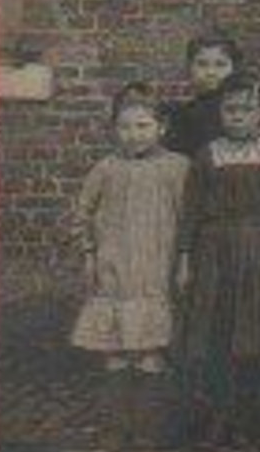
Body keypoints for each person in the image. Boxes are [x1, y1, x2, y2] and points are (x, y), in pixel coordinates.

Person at [175, 73, 260, 445]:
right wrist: (185, 259)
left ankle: (250, 420)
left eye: (247, 110)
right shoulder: (207, 154)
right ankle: (218, 415)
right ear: (220, 113)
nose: (237, 117)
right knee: (216, 335)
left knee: (253, 336)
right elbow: (191, 211)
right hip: (214, 253)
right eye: (230, 109)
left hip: (258, 252)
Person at [70, 86, 190, 388]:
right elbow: (83, 211)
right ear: (114, 130)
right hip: (115, 251)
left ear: (161, 128)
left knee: (153, 294)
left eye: (143, 126)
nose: (133, 134)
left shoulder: (177, 167)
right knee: (116, 294)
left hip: (157, 250)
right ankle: (118, 350)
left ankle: (150, 350)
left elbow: (187, 212)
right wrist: (88, 250)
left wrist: (185, 254)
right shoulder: (106, 168)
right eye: (124, 127)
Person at [163, 31, 242, 158]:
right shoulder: (181, 116)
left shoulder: (242, 111)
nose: (210, 72)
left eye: (220, 65)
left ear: (234, 68)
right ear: (189, 67)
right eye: (202, 64)